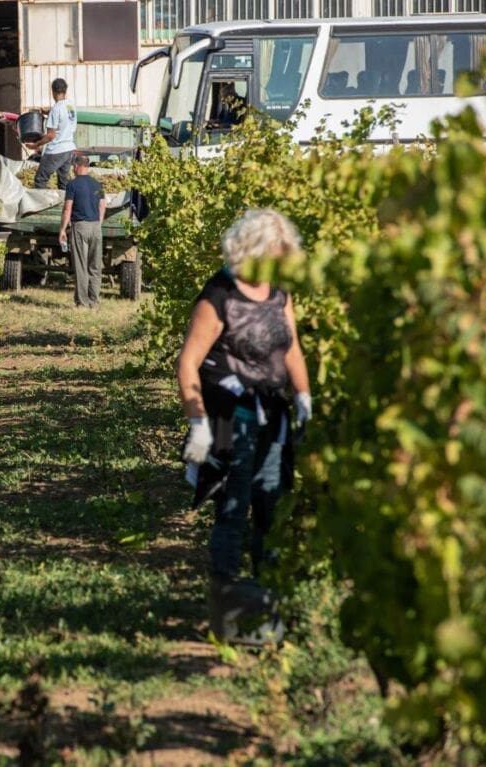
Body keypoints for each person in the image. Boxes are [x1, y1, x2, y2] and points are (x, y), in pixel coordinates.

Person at [175, 209, 311, 644]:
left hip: (271, 415)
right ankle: (226, 607)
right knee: (232, 506)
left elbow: (291, 349)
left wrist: (303, 396)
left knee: (271, 503)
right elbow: (189, 362)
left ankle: (268, 601)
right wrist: (198, 422)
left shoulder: (278, 293)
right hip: (226, 417)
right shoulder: (219, 295)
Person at [58, 155, 106, 308]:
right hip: (96, 227)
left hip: (80, 227)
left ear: (76, 166)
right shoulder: (98, 184)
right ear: (88, 167)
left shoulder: (72, 185)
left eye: (73, 166)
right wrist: (99, 222)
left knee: (81, 266)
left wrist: (62, 229)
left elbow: (67, 209)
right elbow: (102, 205)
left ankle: (82, 302)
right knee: (95, 266)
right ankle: (94, 301)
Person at [26, 78, 77, 190]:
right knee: (63, 182)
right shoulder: (70, 106)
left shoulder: (56, 109)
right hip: (68, 149)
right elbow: (62, 115)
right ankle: (66, 201)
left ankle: (41, 201)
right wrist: (48, 112)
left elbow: (50, 136)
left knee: (40, 179)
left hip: (56, 150)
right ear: (65, 90)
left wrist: (36, 145)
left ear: (53, 91)